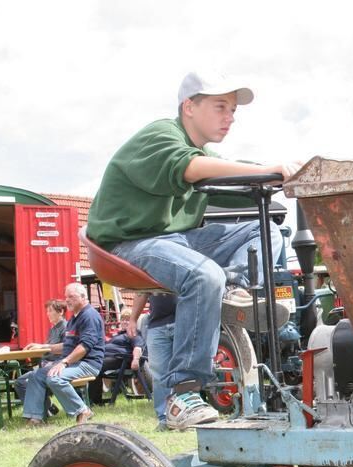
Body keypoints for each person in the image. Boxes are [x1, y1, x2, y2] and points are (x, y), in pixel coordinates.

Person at [85, 70, 299, 430]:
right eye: (220, 107)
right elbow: (190, 168)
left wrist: (285, 177)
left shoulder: (201, 154)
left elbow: (233, 179)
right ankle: (182, 394)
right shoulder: (161, 136)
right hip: (127, 244)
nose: (230, 117)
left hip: (174, 240)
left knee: (266, 231)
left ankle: (236, 291)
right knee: (205, 275)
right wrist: (268, 169)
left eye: (233, 110)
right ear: (189, 106)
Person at [22, 283, 104, 426]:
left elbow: (84, 347)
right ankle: (35, 418)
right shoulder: (74, 318)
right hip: (74, 362)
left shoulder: (89, 316)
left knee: (54, 378)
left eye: (71, 296)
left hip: (88, 363)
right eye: (66, 297)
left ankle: (82, 410)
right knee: (36, 375)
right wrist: (45, 347)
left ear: (83, 297)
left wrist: (64, 362)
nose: (67, 300)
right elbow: (67, 346)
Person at [14, 299, 68, 416]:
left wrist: (42, 347)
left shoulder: (65, 327)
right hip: (45, 365)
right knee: (20, 382)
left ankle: (38, 414)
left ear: (61, 312)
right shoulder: (53, 329)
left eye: (50, 311)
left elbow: (67, 348)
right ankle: (46, 408)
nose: (48, 314)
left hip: (57, 366)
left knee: (33, 378)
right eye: (47, 311)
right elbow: (47, 349)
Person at [131, 293, 176, 431]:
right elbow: (142, 291)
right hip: (157, 324)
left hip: (185, 321)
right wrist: (132, 319)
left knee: (186, 371)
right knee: (159, 374)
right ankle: (164, 419)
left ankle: (186, 416)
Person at [89, 307, 147, 405]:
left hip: (121, 360)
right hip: (109, 358)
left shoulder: (133, 333)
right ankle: (91, 399)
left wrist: (136, 359)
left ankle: (94, 401)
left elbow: (138, 347)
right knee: (88, 363)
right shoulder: (118, 335)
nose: (124, 322)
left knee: (94, 365)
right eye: (123, 319)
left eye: (128, 320)